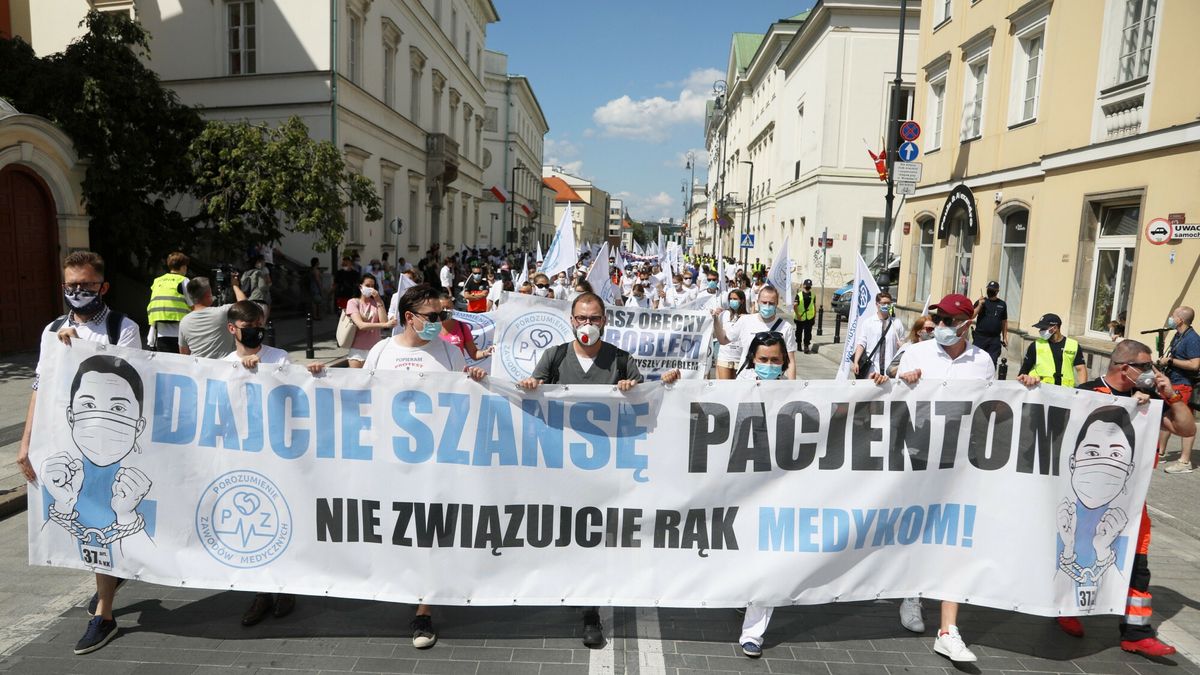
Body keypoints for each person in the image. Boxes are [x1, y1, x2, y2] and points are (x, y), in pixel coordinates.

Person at [517, 293, 680, 647]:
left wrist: (636, 386)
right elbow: (533, 394)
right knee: (566, 530)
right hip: (563, 463)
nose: (586, 324)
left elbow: (644, 396)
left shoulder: (621, 360)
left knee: (596, 534)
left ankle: (591, 608)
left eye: (593, 318)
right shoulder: (555, 356)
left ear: (604, 320)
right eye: (580, 318)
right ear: (571, 320)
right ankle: (568, 587)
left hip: (608, 465)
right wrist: (532, 386)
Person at [17, 251, 142, 655]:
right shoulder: (52, 330)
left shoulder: (123, 328)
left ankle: (104, 608)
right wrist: (26, 441)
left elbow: (130, 374)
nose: (78, 292)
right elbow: (41, 385)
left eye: (86, 286)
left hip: (117, 443)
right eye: (71, 286)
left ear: (102, 287)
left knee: (109, 515)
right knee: (86, 517)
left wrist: (78, 353)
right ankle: (106, 599)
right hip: (71, 437)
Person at [1042, 339, 1195, 656]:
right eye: (1146, 365)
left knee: (1137, 566)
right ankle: (1065, 609)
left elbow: (1185, 427)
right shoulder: (1085, 393)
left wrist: (1168, 395)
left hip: (1128, 505)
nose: (1153, 371)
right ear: (1125, 368)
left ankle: (1136, 633)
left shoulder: (1151, 401)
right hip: (1077, 500)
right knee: (1070, 551)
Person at [365, 284, 488, 649]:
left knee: (431, 530)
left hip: (437, 461)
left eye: (443, 316)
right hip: (390, 460)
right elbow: (356, 396)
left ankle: (424, 610)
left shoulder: (448, 353)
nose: (440, 322)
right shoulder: (380, 351)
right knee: (395, 527)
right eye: (433, 317)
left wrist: (476, 382)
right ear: (409, 318)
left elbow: (462, 397)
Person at [878, 293, 993, 663]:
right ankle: (912, 593)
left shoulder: (983, 361)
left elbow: (992, 406)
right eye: (937, 320)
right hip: (918, 453)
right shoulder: (918, 353)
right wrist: (901, 377)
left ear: (966, 324)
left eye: (948, 321)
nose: (940, 326)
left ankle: (948, 627)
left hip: (961, 460)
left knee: (954, 533)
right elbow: (887, 386)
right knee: (918, 525)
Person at [715, 286, 799, 379]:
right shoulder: (745, 321)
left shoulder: (786, 327)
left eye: (771, 303)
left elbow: (790, 361)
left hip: (774, 383)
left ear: (776, 304)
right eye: (764, 302)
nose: (767, 306)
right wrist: (715, 320)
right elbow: (724, 340)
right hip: (746, 380)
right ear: (758, 301)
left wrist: (792, 387)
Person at [1158, 306, 1199, 473]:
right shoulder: (1179, 335)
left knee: (1182, 420)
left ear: (1180, 320)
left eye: (1173, 316)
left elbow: (1195, 364)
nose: (1170, 318)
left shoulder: (1192, 339)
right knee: (1165, 416)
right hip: (1172, 381)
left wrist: (1170, 362)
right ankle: (1160, 452)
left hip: (1182, 384)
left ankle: (1184, 462)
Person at [179, 275, 247, 358]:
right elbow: (244, 305)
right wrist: (235, 285)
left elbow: (183, 354)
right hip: (223, 368)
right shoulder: (222, 313)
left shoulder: (184, 321)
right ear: (208, 294)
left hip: (198, 369)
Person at [1018, 313, 1087, 388]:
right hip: (1041, 390)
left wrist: (1082, 390)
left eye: (1043, 328)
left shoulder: (1073, 345)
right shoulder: (1035, 345)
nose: (1040, 331)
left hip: (1065, 392)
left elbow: (1080, 369)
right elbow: (1025, 369)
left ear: (1055, 328)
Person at [346, 274, 396, 368]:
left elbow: (384, 320)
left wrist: (378, 300)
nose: (370, 288)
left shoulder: (377, 303)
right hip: (358, 350)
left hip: (375, 349)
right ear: (360, 286)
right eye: (367, 286)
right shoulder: (353, 302)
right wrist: (384, 325)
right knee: (357, 380)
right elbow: (361, 325)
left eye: (372, 286)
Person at [145, 251, 191, 353]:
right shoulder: (184, 281)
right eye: (186, 266)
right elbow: (193, 305)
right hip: (179, 334)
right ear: (183, 267)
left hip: (160, 333)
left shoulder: (157, 281)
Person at [852, 292, 904, 379]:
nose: (887, 305)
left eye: (889, 303)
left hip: (889, 371)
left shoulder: (897, 323)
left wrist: (902, 345)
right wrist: (856, 362)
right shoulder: (868, 323)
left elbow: (902, 345)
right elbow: (861, 343)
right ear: (877, 304)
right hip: (872, 370)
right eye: (884, 303)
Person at [439, 295, 492, 361]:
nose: (445, 310)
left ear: (453, 309)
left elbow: (474, 353)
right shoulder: (430, 327)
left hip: (457, 370)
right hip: (436, 370)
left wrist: (486, 352)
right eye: (442, 308)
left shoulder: (461, 326)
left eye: (448, 308)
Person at [715, 289, 749, 380]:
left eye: (735, 299)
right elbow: (717, 333)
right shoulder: (724, 314)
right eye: (730, 299)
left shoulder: (748, 317)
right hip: (725, 356)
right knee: (725, 387)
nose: (732, 301)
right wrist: (715, 317)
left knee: (737, 389)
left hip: (740, 358)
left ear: (742, 301)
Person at [971, 281, 1008, 365]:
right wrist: (980, 305)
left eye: (992, 290)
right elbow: (972, 315)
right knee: (976, 362)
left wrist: (1005, 337)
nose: (990, 291)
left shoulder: (1002, 304)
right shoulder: (981, 301)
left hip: (994, 339)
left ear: (997, 291)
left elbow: (1004, 322)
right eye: (989, 289)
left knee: (992, 362)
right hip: (980, 338)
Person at [241, 253, 272, 322]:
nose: (264, 262)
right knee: (261, 320)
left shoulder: (246, 273)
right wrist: (267, 287)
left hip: (248, 298)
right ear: (258, 262)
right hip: (259, 298)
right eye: (262, 261)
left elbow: (242, 283)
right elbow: (262, 287)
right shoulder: (258, 272)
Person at [794, 279, 816, 354]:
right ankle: (799, 344)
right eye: (807, 285)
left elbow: (814, 306)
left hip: (809, 317)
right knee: (799, 332)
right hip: (800, 317)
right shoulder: (799, 295)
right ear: (804, 285)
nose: (808, 287)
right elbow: (795, 306)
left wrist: (814, 316)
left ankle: (806, 346)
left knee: (808, 332)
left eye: (809, 286)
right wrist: (797, 315)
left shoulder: (813, 295)